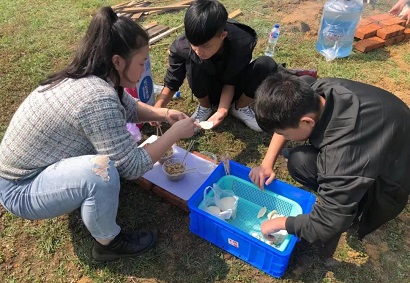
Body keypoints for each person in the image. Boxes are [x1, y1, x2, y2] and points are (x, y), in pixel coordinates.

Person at [0, 6, 200, 262]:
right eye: (141, 63)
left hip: (31, 170)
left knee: (106, 161)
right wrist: (174, 133)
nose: (143, 71)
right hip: (20, 189)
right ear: (118, 61)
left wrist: (163, 114)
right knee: (103, 171)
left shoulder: (95, 75)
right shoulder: (97, 98)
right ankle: (109, 243)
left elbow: (127, 107)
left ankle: (82, 197)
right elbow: (131, 167)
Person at [250, 73, 410, 257]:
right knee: (299, 160)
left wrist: (279, 223)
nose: (284, 138)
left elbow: (328, 223)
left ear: (307, 122)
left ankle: (360, 205)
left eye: (285, 134)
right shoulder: (319, 91)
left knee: (316, 179)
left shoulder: (344, 154)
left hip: (389, 183)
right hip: (389, 136)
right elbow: (284, 120)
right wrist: (266, 164)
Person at [153, 0, 279, 132]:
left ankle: (239, 107)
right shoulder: (182, 46)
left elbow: (232, 80)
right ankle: (205, 107)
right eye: (193, 44)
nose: (199, 51)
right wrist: (157, 108)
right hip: (207, 89)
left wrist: (222, 110)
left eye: (206, 46)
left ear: (223, 35)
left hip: (236, 87)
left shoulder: (241, 41)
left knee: (266, 64)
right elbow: (172, 81)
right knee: (194, 61)